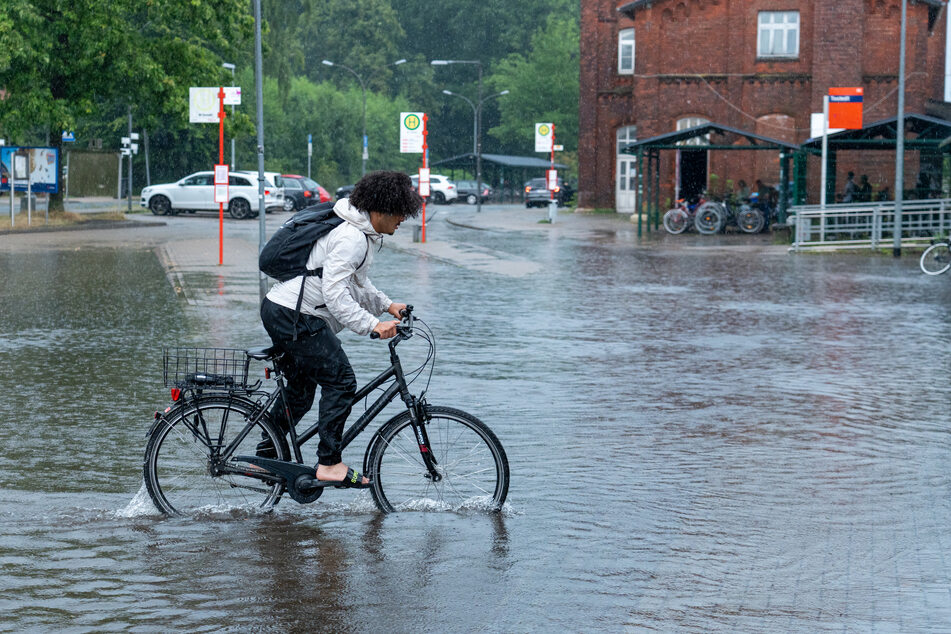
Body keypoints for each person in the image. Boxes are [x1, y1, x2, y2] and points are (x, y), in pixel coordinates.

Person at [258, 170, 422, 488]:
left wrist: (388, 306)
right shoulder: (352, 238)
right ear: (381, 209)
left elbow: (356, 283)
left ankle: (268, 457)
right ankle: (330, 463)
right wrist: (372, 326)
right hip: (294, 315)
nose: (403, 219)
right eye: (401, 212)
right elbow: (335, 294)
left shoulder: (360, 233)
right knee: (342, 381)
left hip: (287, 311)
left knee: (301, 392)